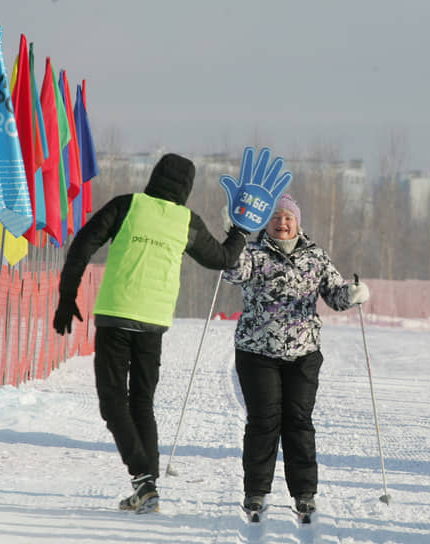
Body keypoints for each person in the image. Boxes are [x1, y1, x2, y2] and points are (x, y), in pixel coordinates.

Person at [53, 153, 246, 514]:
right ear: (186, 188)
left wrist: (67, 295)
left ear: (155, 176)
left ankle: (143, 480)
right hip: (153, 323)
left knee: (113, 402)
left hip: (115, 315)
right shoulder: (187, 221)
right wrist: (241, 232)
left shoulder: (127, 206)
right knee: (141, 402)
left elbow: (83, 243)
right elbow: (222, 259)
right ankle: (147, 490)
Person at [222, 194, 370, 515]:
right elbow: (231, 271)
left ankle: (304, 492)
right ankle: (255, 492)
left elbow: (335, 294)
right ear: (267, 222)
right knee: (263, 421)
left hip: (303, 352)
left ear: (297, 222)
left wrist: (354, 293)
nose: (282, 222)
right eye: (276, 217)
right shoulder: (254, 254)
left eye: (288, 217)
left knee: (299, 421)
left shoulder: (315, 256)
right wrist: (232, 238)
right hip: (257, 351)